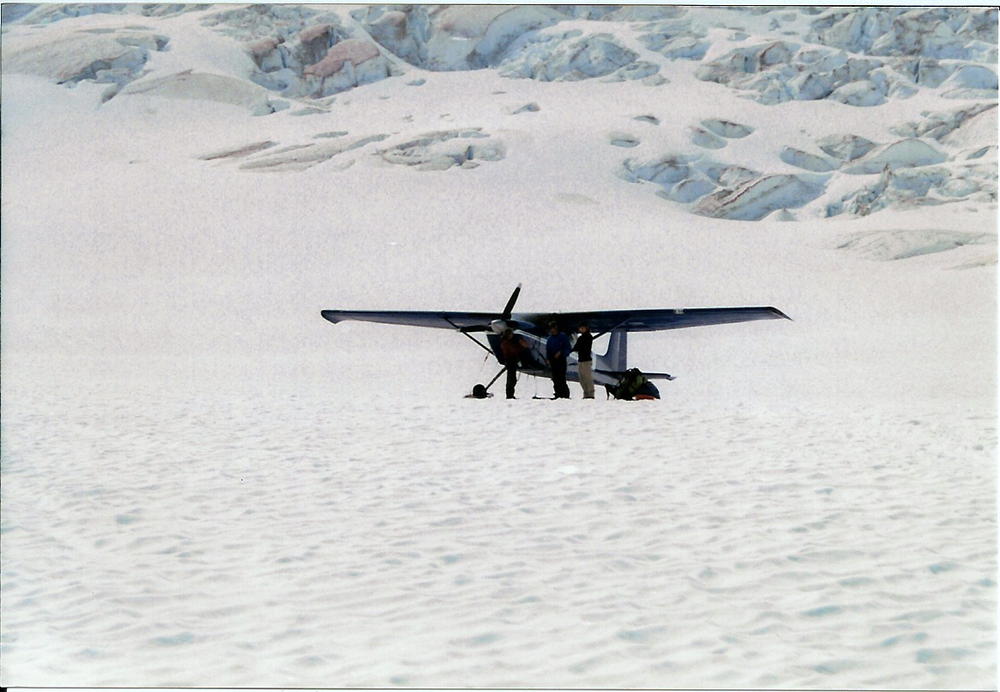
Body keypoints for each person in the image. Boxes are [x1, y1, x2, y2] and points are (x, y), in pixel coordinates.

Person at [499, 328, 528, 399]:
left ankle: (510, 394)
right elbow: (514, 350)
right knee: (511, 379)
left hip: (511, 361)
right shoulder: (506, 343)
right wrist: (522, 346)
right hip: (510, 361)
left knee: (512, 378)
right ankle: (509, 395)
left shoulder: (505, 342)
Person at [546, 322, 571, 399]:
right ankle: (558, 393)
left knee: (561, 377)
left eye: (553, 328)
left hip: (561, 359)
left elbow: (568, 348)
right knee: (555, 378)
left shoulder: (563, 336)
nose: (552, 330)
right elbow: (548, 350)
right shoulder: (550, 339)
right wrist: (548, 359)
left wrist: (561, 352)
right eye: (551, 329)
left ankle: (565, 394)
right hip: (553, 360)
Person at [573, 323, 595, 399]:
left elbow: (583, 347)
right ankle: (586, 393)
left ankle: (590, 394)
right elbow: (576, 348)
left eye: (583, 328)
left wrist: (579, 347)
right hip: (580, 360)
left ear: (586, 328)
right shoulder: (580, 338)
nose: (581, 330)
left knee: (587, 377)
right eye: (580, 328)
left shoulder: (588, 337)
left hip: (586, 360)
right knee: (582, 378)